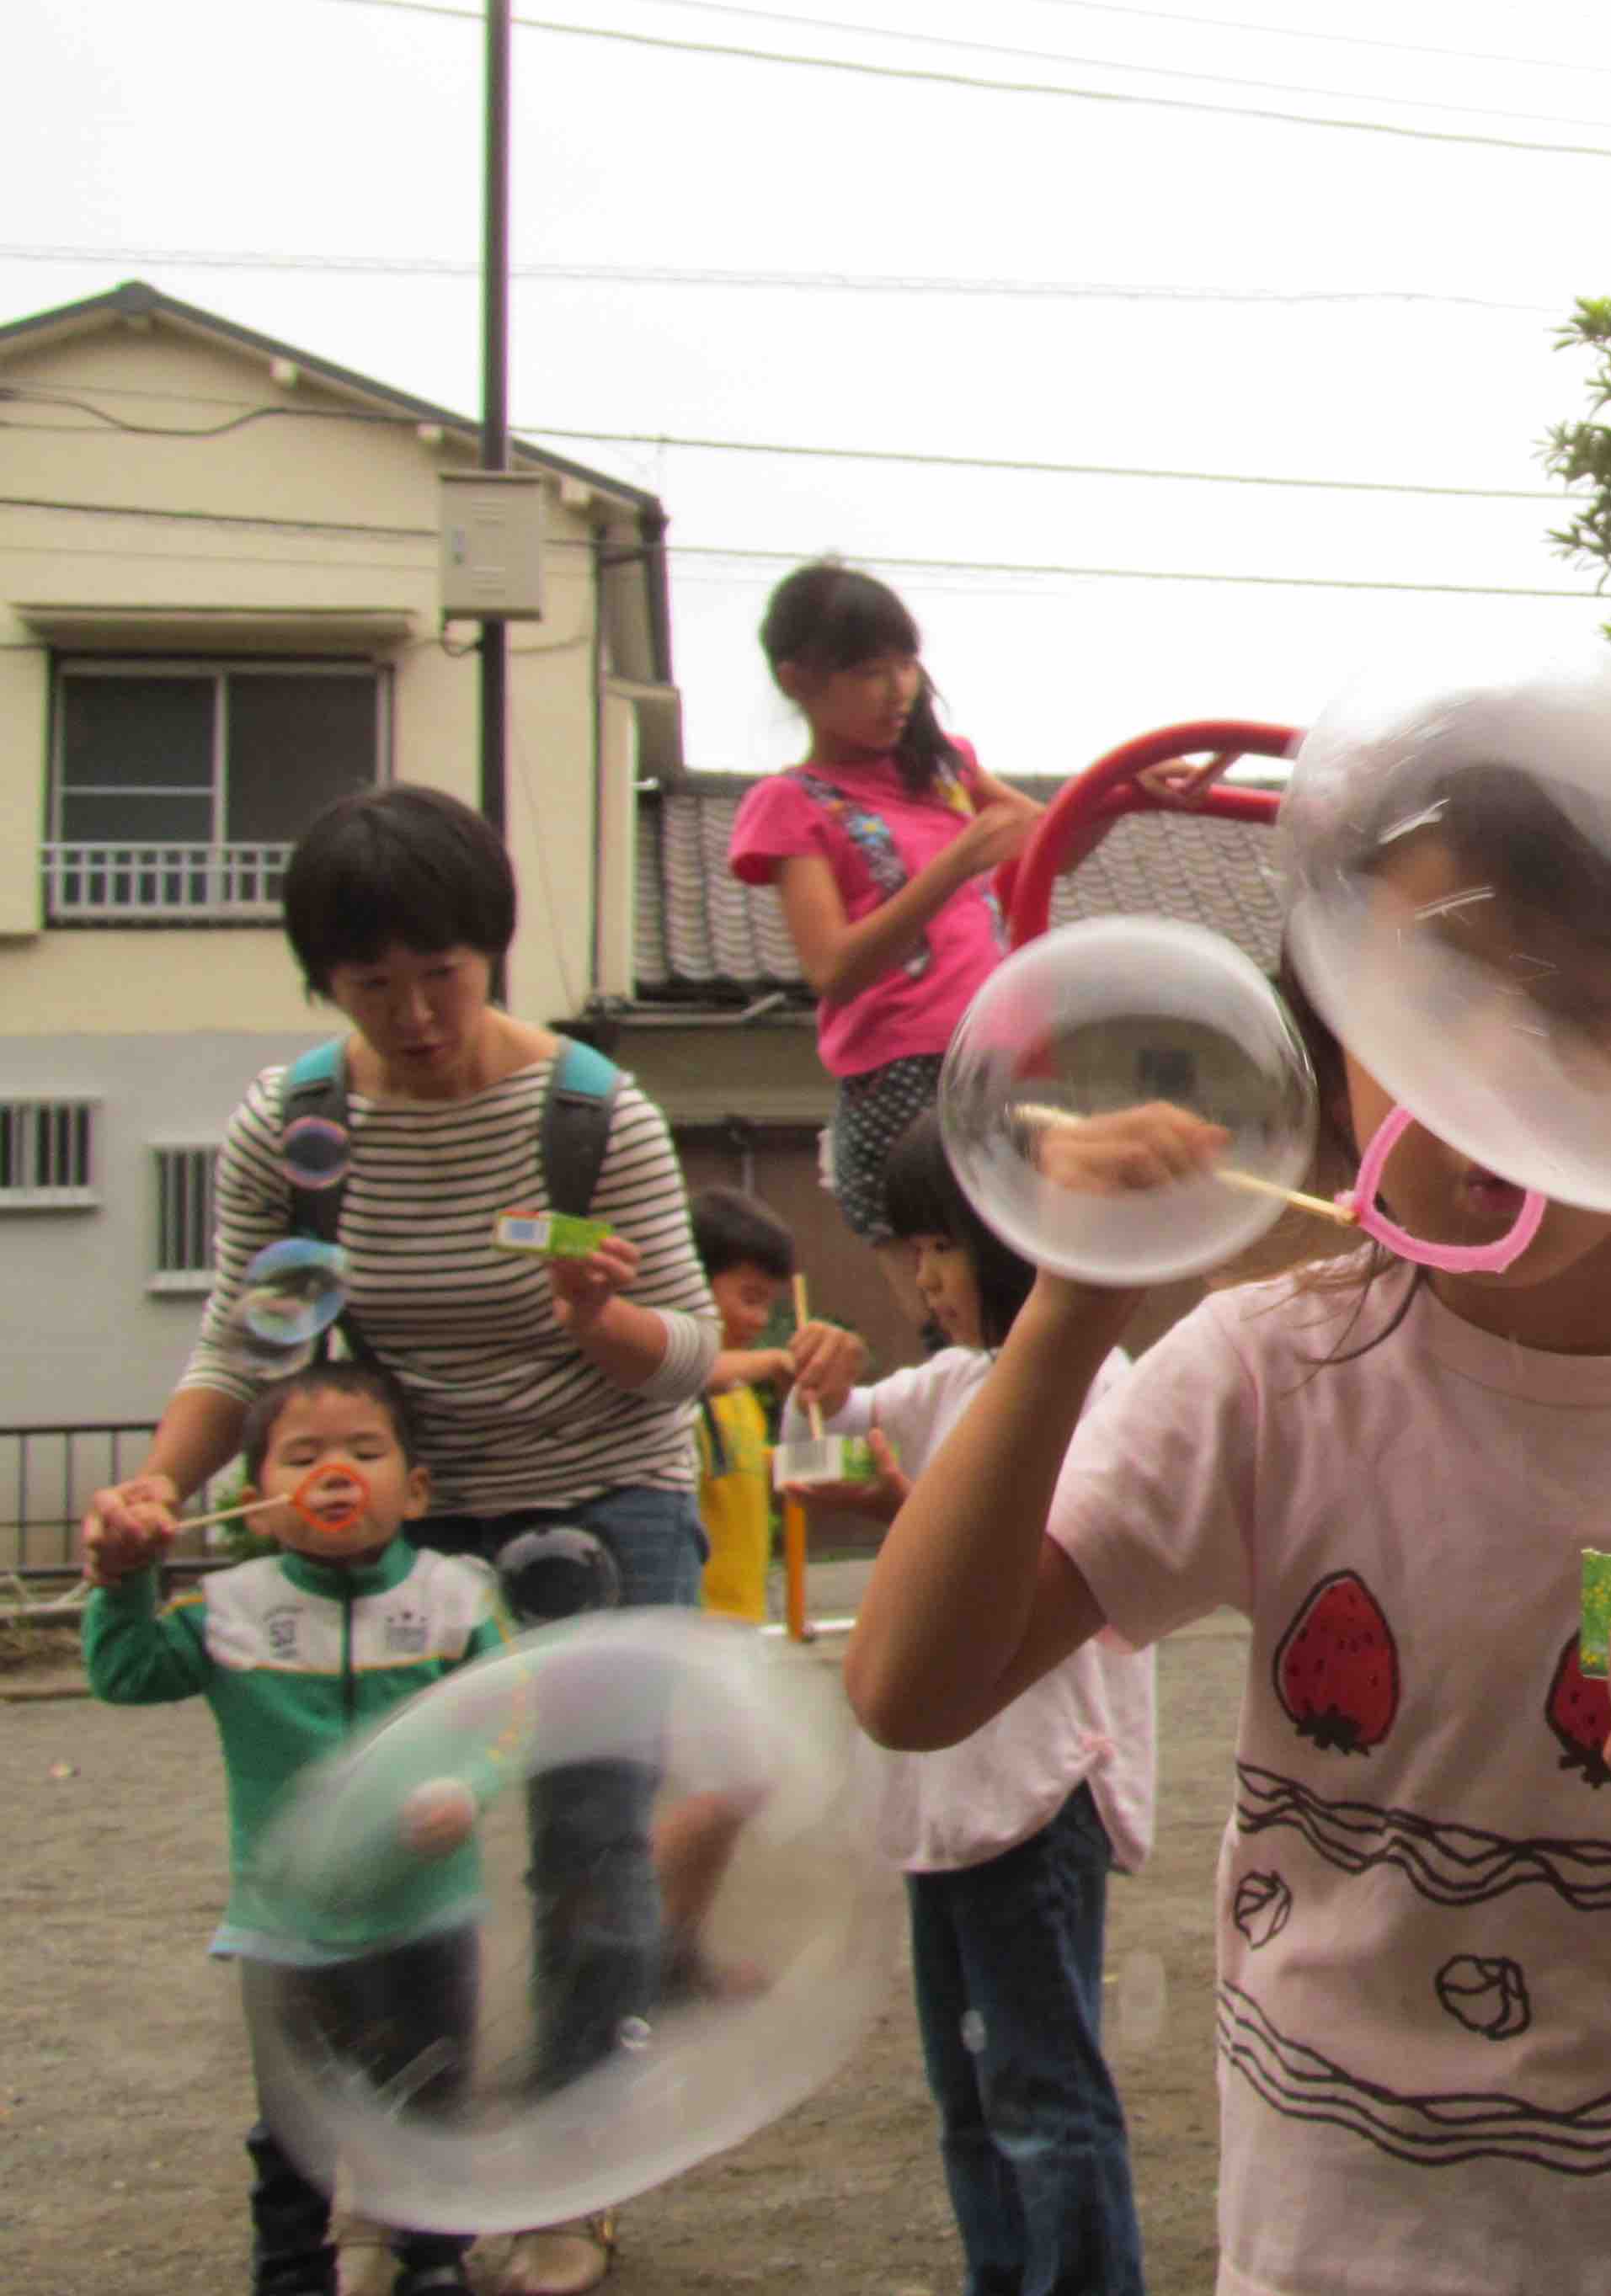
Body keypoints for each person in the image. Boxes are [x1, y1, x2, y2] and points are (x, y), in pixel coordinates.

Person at [840, 763, 1611, 2296]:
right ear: (1338, 1066)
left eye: (1583, 1012)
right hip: (1349, 2234)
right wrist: (1068, 1305)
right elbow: (911, 1688)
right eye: (1431, 1012)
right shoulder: (1273, 1368)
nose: (1500, 1084)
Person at [78, 782, 725, 2296]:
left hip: (599, 1495)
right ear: (327, 985)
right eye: (376, 986)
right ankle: (397, 2167)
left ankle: (566, 2175)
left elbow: (690, 1354)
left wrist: (600, 1318)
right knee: (371, 1842)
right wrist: (158, 1492)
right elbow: (245, 1348)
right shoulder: (300, 1124)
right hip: (388, 1522)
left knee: (586, 1849)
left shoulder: (586, 1115)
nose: (419, 1014)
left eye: (444, 974)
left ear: (490, 951)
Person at [784, 1113, 1156, 2296]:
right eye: (911, 1249)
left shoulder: (1093, 1379)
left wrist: (906, 1519)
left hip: (1038, 1788)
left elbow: (1058, 1561)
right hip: (946, 1797)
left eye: (946, 1243)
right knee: (968, 2091)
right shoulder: (948, 1383)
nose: (926, 1277)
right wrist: (818, 1372)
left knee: (1044, 2089)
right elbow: (837, 1424)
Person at [84, 1361, 508, 2296]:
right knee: (297, 2122)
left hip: (427, 1912)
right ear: (256, 1503)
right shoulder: (232, 1611)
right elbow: (125, 1674)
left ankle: (432, 2262)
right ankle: (291, 2271)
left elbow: (514, 1716)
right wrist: (124, 1578)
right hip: (287, 1921)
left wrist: (470, 1787)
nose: (337, 1472)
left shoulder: (455, 1598)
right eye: (304, 1456)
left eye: (366, 1450)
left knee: (432, 2098)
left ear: (416, 1488)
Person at [728, 562, 1036, 1313]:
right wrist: (956, 861)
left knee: (1031, 1311)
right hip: (901, 1083)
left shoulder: (944, 768)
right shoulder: (793, 803)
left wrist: (1128, 791)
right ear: (797, 679)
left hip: (991, 1058)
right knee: (962, 1324)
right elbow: (832, 966)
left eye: (906, 663)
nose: (899, 688)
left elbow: (1040, 836)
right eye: (869, 671)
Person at [685, 1188, 863, 1625]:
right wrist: (770, 1361)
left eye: (768, 1302)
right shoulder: (687, 1383)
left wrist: (834, 1463)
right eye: (750, 1298)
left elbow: (746, 1467)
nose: (762, 1320)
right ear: (692, 1281)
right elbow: (686, 1372)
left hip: (742, 1619)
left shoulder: (739, 1392)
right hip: (692, 1622)